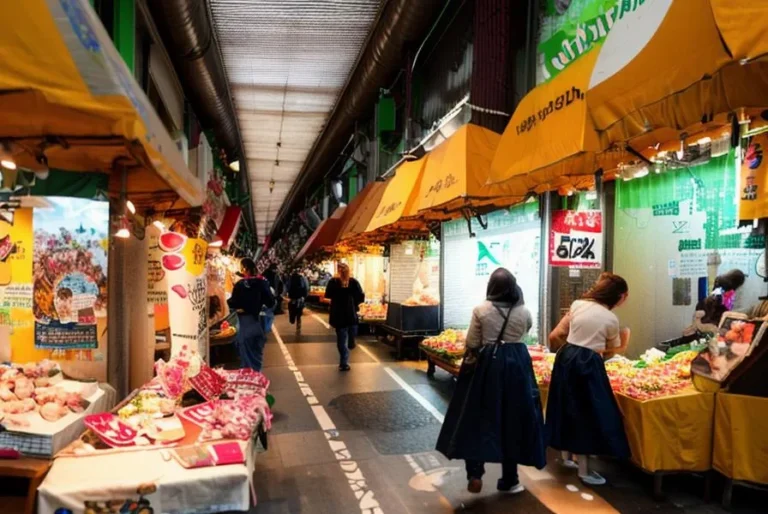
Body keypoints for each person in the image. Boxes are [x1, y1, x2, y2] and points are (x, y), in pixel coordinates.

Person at [436, 268, 546, 495]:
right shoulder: (523, 311)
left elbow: (472, 342)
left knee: (476, 417)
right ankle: (510, 479)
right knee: (512, 419)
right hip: (517, 365)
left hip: (488, 365)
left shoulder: (481, 309)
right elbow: (526, 331)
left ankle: (475, 473)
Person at [546, 272, 631, 486]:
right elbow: (612, 351)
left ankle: (566, 457)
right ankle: (584, 471)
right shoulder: (610, 318)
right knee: (587, 412)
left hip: (566, 357)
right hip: (588, 363)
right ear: (618, 296)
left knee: (567, 405)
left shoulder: (577, 305)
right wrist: (625, 339)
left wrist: (573, 344)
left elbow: (555, 335)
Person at [227, 258, 275, 371]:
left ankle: (250, 379)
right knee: (257, 353)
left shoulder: (240, 284)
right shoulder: (263, 282)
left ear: (244, 269)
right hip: (259, 323)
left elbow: (232, 303)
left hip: (244, 323)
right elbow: (271, 302)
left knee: (246, 354)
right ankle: (257, 376)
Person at [325, 262, 364, 371]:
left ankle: (344, 362)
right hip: (351, 314)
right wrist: (354, 302)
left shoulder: (333, 282)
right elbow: (361, 296)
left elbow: (328, 295)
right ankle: (351, 344)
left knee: (341, 340)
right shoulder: (353, 282)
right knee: (351, 334)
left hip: (338, 315)